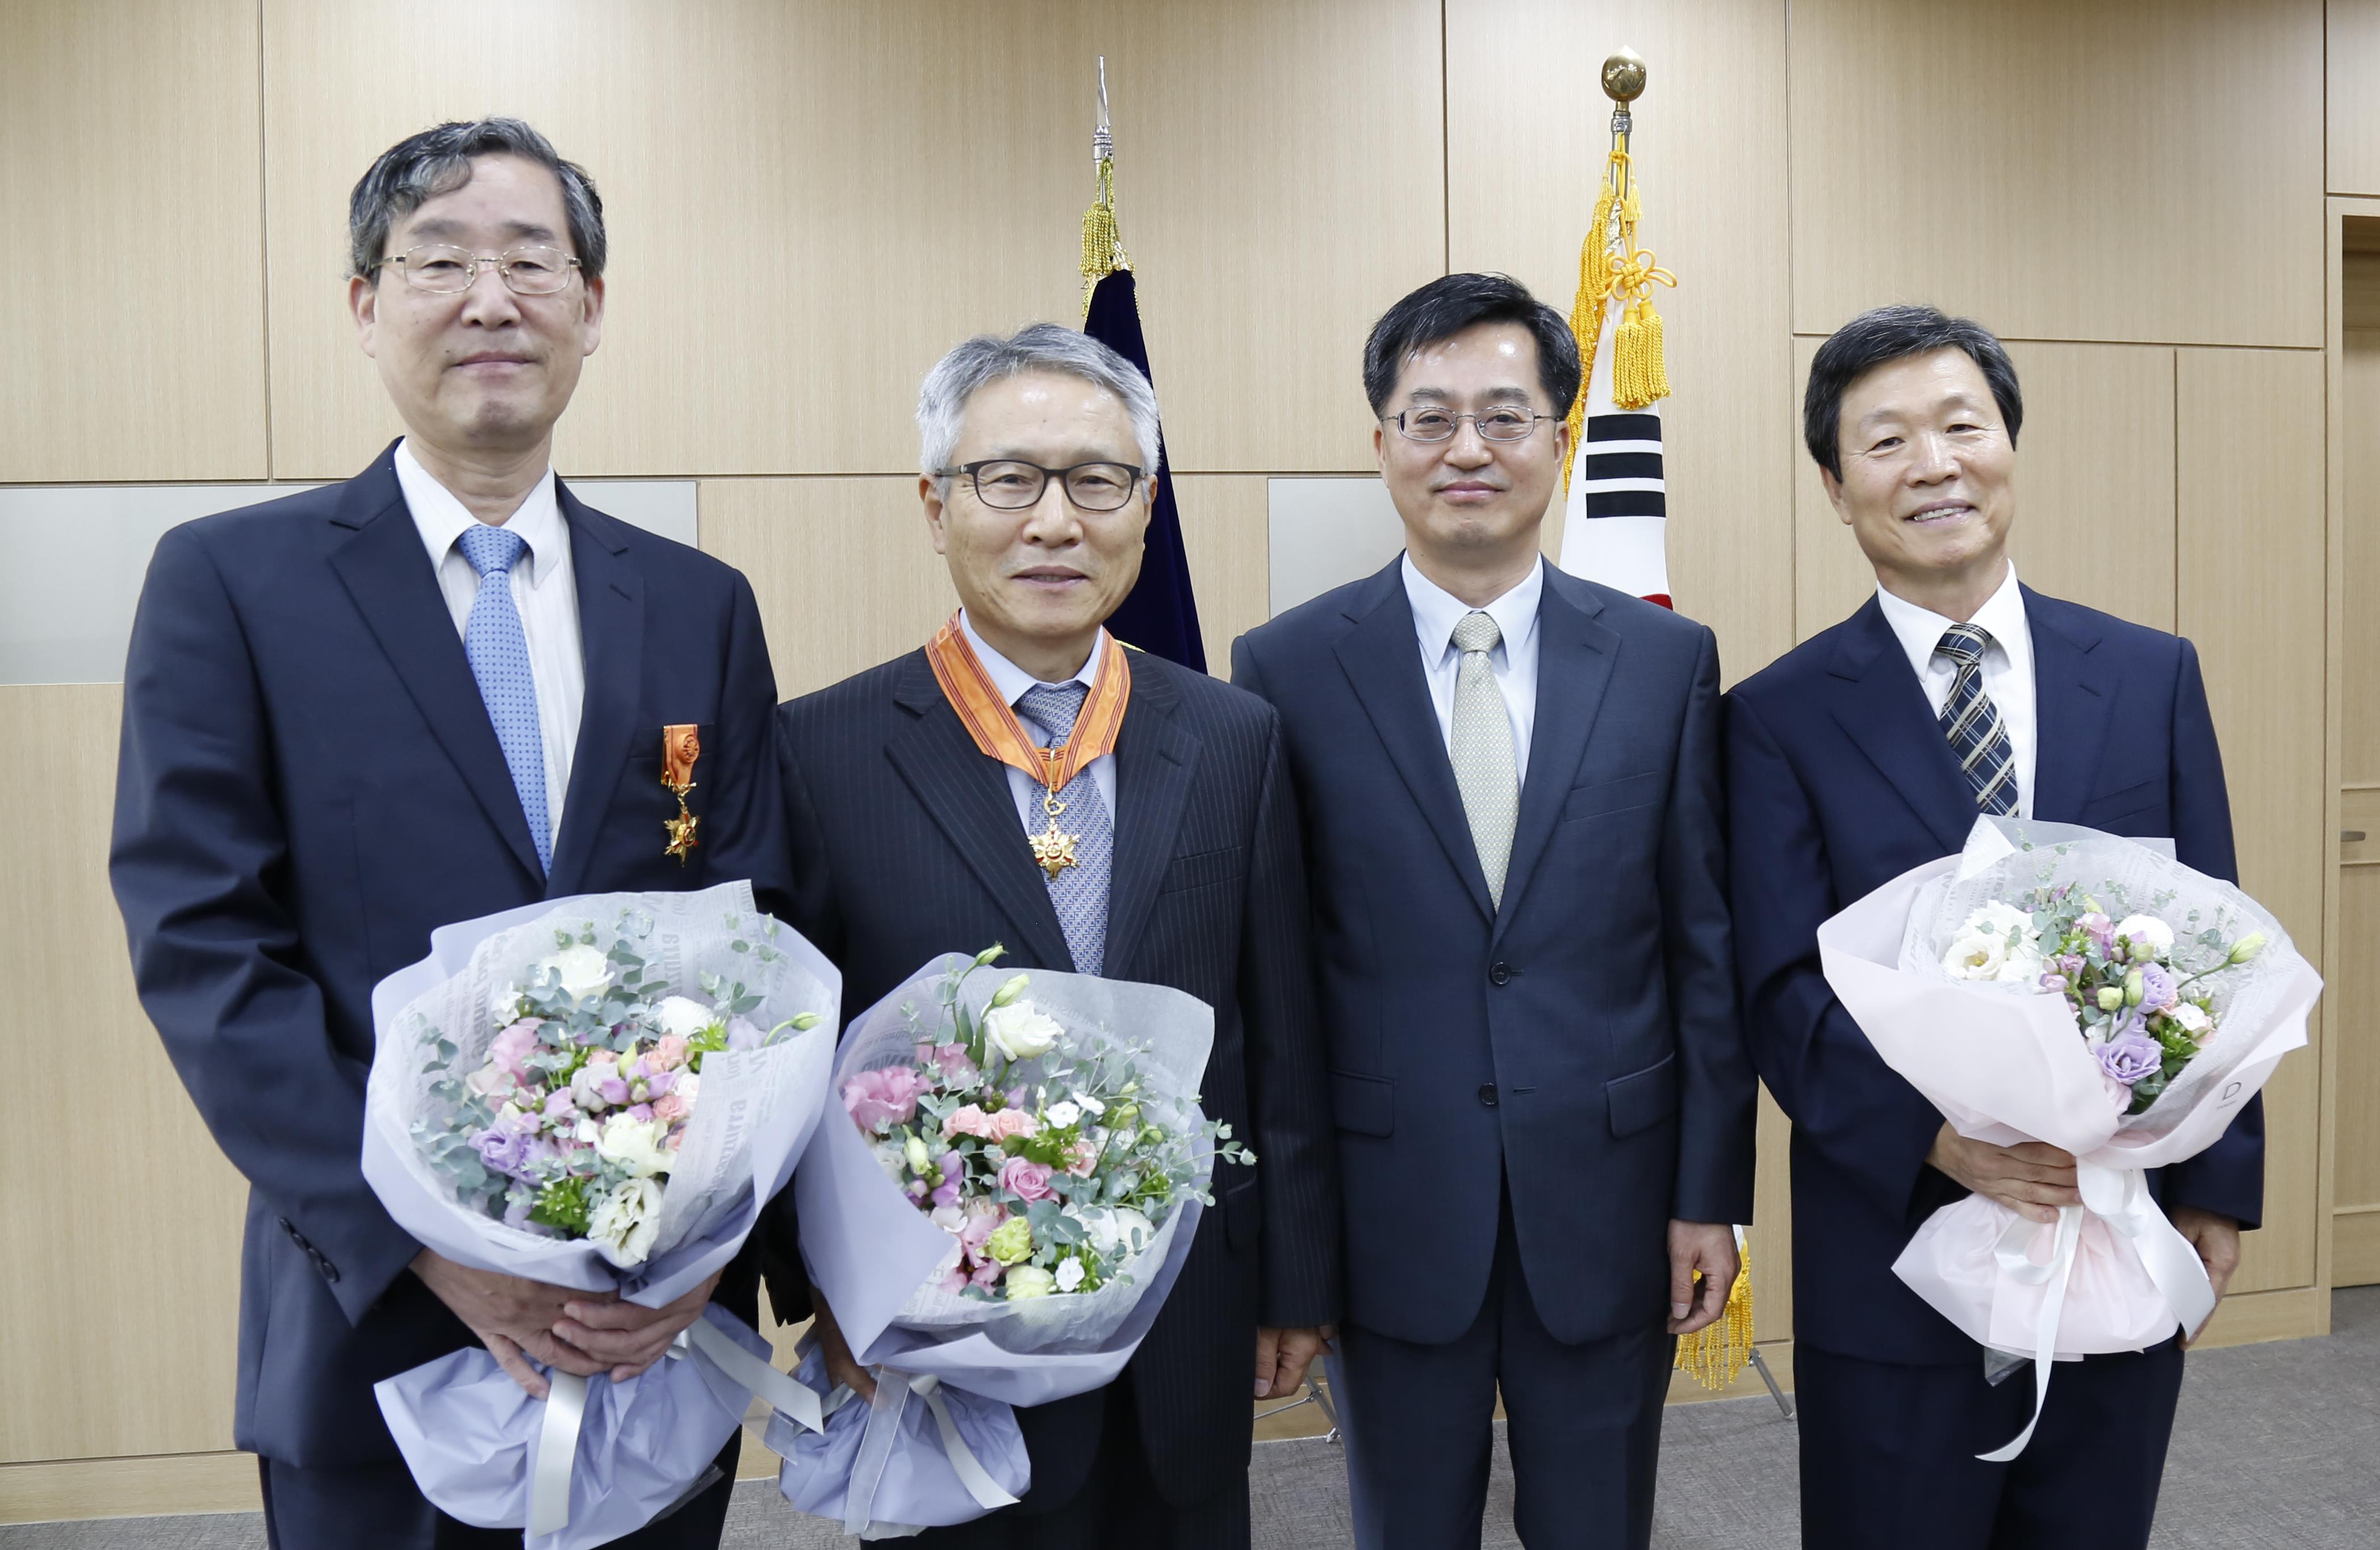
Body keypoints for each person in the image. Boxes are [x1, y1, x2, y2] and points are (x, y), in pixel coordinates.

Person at [108, 118, 793, 1549]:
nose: (491, 300)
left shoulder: (697, 603)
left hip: (644, 1322)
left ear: (590, 307)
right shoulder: (232, 583)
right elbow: (206, 951)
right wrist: (423, 1244)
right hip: (373, 1316)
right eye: (440, 262)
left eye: (530, 262)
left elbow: (758, 927)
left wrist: (701, 1243)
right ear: (367, 306)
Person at [776, 324, 1340, 1547]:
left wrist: (1294, 1279)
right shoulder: (819, 748)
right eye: (1007, 479)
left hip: (1186, 1317)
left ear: (1146, 508)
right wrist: (826, 1293)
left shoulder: (1232, 737)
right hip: (938, 1335)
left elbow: (1277, 1031)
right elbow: (793, 1064)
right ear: (935, 504)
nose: (1053, 522)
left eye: (1096, 481)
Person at [1229, 273, 1755, 1550]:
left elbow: (1702, 949)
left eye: (1506, 416)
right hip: (1390, 1205)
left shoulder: (1664, 660)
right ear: (1382, 444)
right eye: (1430, 417)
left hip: (1612, 1201)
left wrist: (1710, 1195)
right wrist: (1290, 1246)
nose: (1467, 448)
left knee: (1598, 1526)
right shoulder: (1283, 666)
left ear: (1559, 440)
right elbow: (1278, 982)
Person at [1725, 303, 2262, 1549]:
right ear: (1835, 487)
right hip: (1893, 1243)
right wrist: (1939, 1141)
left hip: (2114, 1219)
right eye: (1886, 442)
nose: (1934, 465)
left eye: (1962, 427)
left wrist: (2216, 1187)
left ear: (2008, 445)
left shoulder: (2149, 673)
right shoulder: (1776, 715)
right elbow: (1780, 987)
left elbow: (2221, 943)